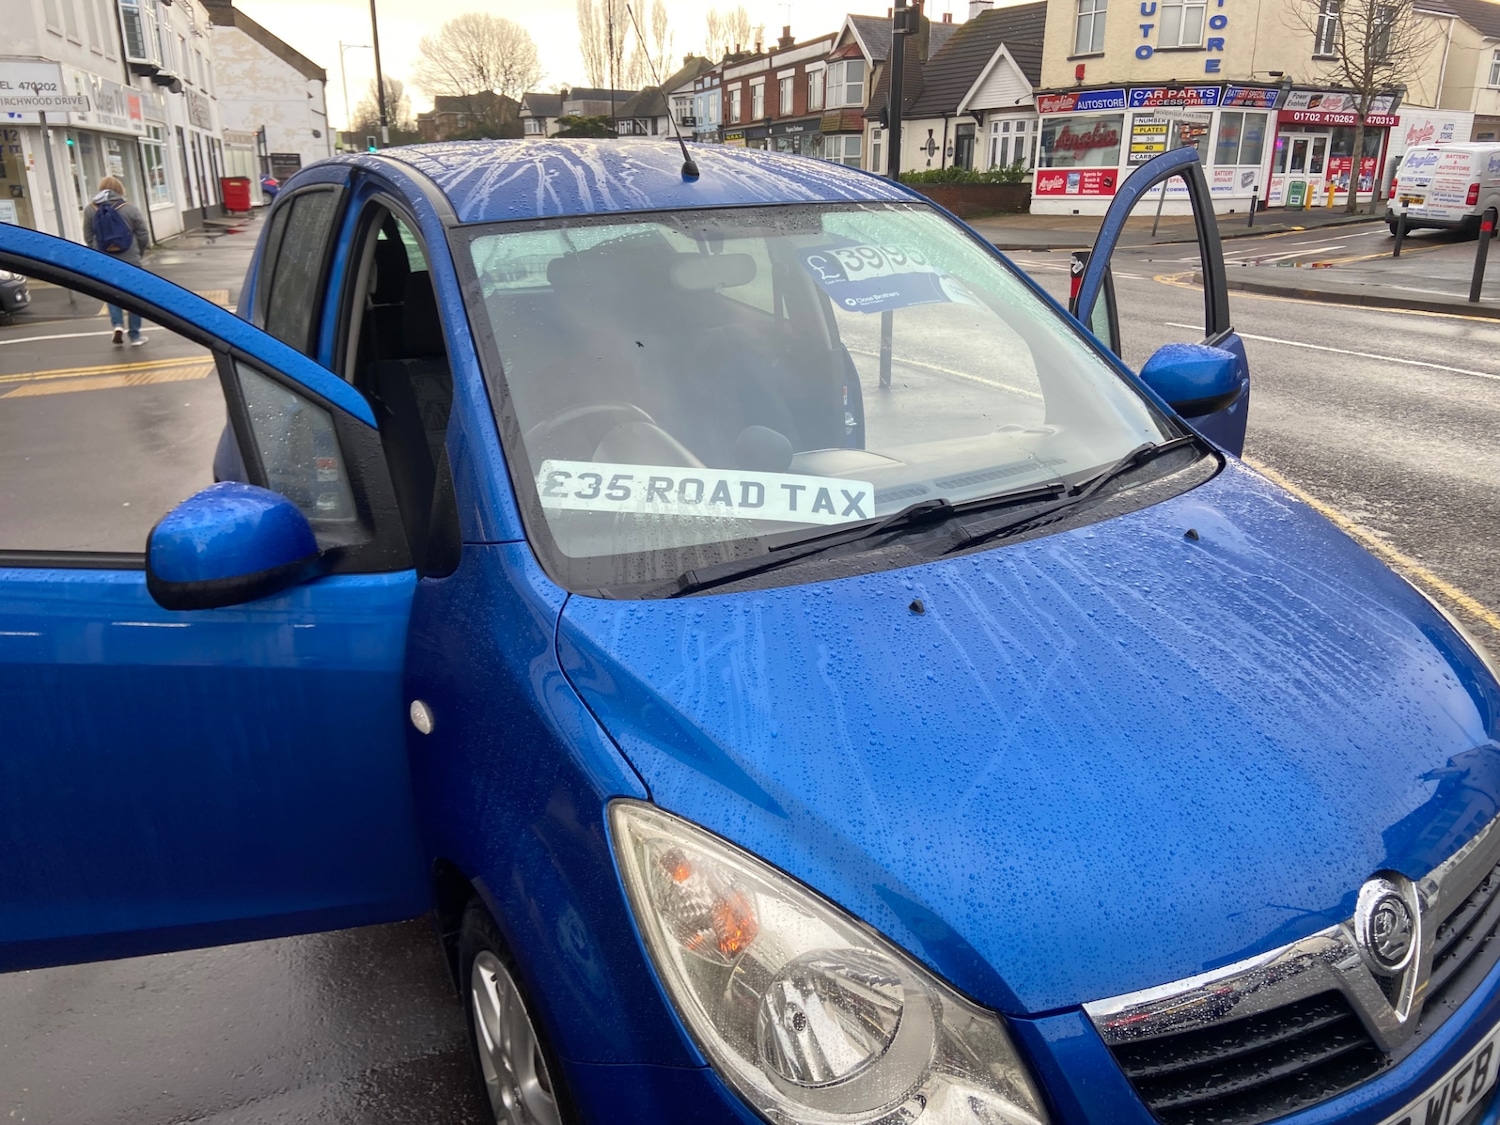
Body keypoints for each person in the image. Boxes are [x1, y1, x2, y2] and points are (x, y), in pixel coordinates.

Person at [82, 176, 151, 346]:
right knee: (135, 296)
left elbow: (88, 236)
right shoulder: (130, 209)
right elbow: (143, 235)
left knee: (112, 294)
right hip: (130, 259)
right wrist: (138, 253)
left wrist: (98, 252)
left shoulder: (90, 210)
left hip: (105, 260)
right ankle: (135, 335)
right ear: (120, 190)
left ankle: (117, 325)